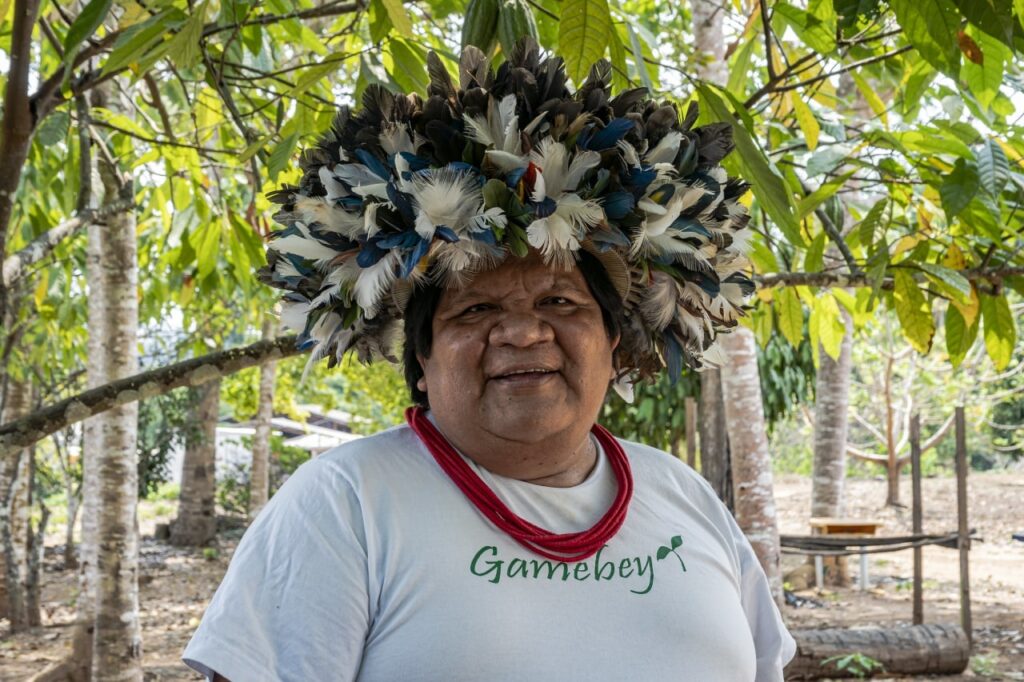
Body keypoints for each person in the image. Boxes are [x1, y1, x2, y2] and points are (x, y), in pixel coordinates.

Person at [183, 39, 796, 681]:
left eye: (560, 301)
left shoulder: (683, 494)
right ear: (420, 360)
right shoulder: (343, 505)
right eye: (474, 311)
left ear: (613, 342)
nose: (524, 334)